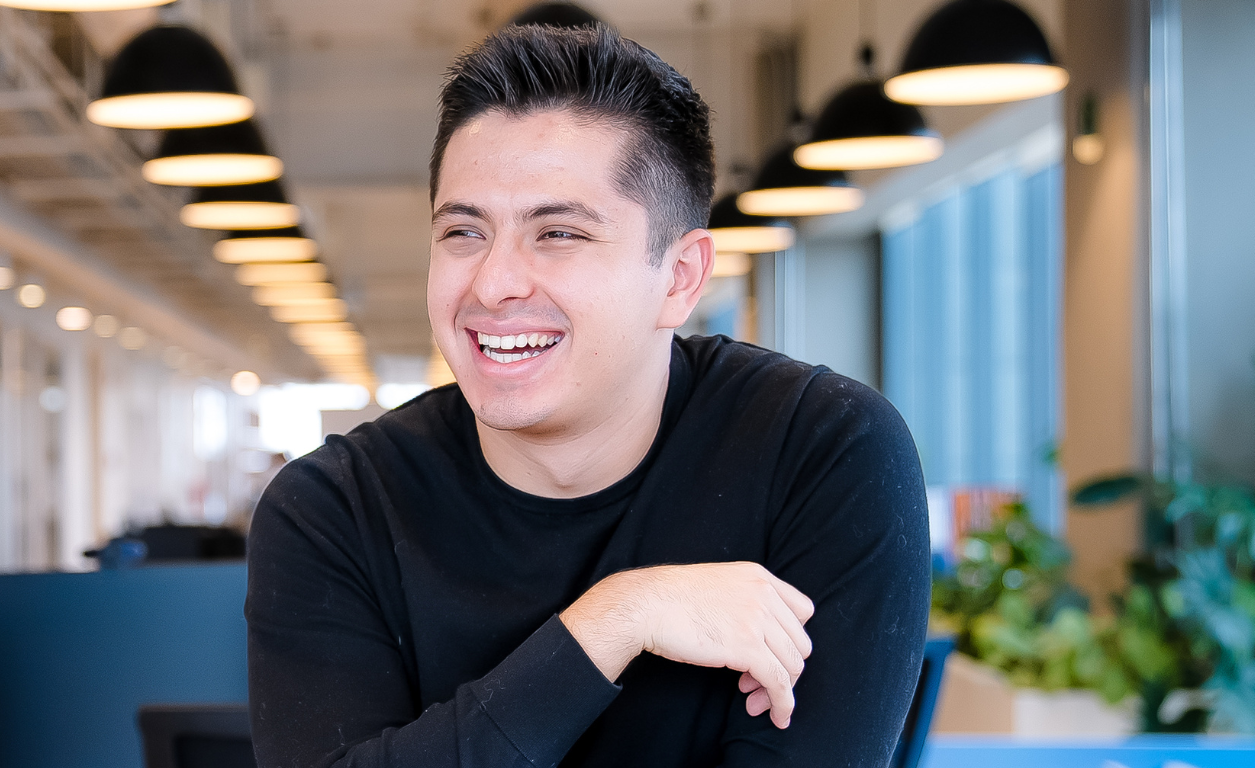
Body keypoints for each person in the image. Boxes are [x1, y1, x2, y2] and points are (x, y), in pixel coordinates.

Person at [245, 23, 930, 768]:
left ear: (679, 278)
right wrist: (614, 619)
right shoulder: (332, 511)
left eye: (559, 234)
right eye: (464, 233)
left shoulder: (825, 452)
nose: (493, 283)